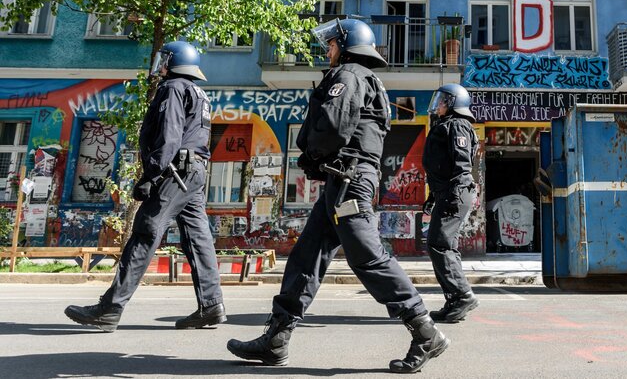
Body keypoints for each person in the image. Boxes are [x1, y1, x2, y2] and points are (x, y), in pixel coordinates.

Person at [226, 18, 449, 374]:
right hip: (341, 181)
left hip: (349, 183)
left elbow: (332, 126)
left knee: (368, 257)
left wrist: (311, 156)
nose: (327, 51)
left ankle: (425, 331)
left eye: (331, 45)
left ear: (346, 46)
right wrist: (319, 162)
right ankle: (277, 339)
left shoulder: (349, 75)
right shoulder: (362, 78)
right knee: (306, 256)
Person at [64, 41, 225, 332]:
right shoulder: (198, 92)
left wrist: (150, 175)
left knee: (145, 231)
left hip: (175, 173)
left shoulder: (173, 87)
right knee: (199, 239)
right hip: (194, 172)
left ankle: (109, 308)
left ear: (175, 62)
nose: (160, 65)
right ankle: (211, 305)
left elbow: (169, 135)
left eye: (164, 59)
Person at [421, 83, 480, 323]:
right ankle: (455, 301)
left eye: (444, 100)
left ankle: (462, 295)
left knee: (438, 245)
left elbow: (461, 164)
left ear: (455, 103)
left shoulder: (457, 125)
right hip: (448, 192)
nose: (439, 104)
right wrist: (432, 196)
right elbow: (440, 167)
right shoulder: (445, 125)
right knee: (445, 246)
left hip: (455, 192)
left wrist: (452, 193)